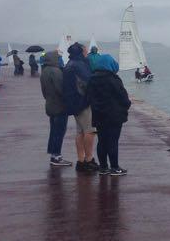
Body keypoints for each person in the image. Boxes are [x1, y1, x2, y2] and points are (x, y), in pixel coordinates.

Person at [87, 54, 131, 176]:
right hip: (114, 115)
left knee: (102, 141)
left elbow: (88, 96)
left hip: (98, 115)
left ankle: (103, 167)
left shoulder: (92, 79)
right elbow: (123, 97)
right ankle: (115, 167)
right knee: (113, 141)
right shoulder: (113, 79)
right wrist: (126, 106)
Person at [62, 42, 97, 172]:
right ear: (81, 51)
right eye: (85, 50)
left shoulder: (69, 64)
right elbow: (88, 82)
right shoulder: (79, 65)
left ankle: (81, 160)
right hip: (83, 102)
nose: (87, 52)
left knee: (80, 132)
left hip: (74, 103)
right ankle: (88, 159)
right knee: (90, 131)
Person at [40, 50, 71, 166]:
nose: (59, 59)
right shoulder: (56, 71)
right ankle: (56, 156)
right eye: (58, 58)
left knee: (54, 130)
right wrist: (68, 100)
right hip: (59, 106)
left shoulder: (44, 71)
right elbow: (61, 89)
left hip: (50, 105)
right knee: (59, 131)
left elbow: (43, 91)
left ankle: (53, 153)